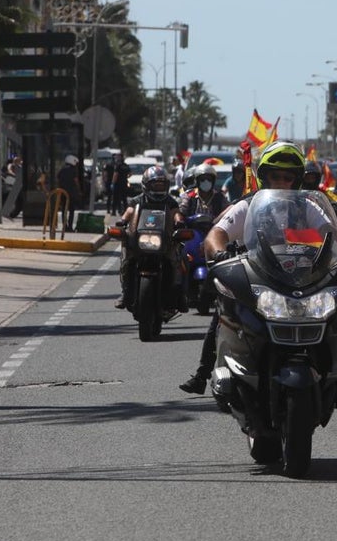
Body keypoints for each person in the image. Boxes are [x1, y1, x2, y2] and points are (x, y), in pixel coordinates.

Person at [179, 141, 305, 394]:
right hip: (254, 279)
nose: (281, 181)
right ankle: (203, 373)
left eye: (287, 177)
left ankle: (336, 374)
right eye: (275, 176)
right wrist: (220, 252)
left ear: (296, 180)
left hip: (296, 282)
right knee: (223, 314)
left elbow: (332, 236)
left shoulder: (305, 208)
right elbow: (217, 234)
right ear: (264, 177)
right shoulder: (247, 205)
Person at [114, 166, 185, 309]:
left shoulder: (170, 201)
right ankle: (126, 293)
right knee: (128, 261)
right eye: (155, 185)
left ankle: (177, 295)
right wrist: (123, 220)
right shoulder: (137, 200)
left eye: (162, 185)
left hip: (164, 239)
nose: (159, 188)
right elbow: (129, 211)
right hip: (140, 239)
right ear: (146, 185)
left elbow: (176, 212)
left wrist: (179, 220)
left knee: (174, 261)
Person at [56, 155, 82, 232]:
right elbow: (76, 181)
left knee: (64, 210)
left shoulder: (62, 170)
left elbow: (58, 179)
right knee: (71, 210)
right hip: (71, 193)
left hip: (63, 193)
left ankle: (65, 226)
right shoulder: (73, 170)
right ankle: (70, 227)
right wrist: (79, 190)